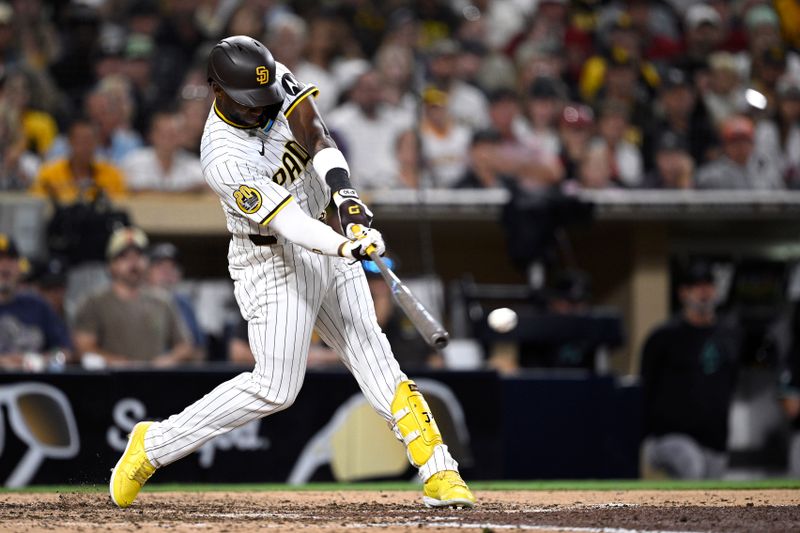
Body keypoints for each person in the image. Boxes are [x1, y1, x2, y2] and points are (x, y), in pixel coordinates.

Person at [109, 36, 474, 510]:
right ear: (216, 90)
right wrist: (347, 243)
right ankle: (153, 446)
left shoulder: (267, 77)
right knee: (276, 388)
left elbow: (315, 131)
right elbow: (289, 223)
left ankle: (439, 471)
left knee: (375, 356)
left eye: (265, 101)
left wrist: (346, 198)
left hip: (324, 232)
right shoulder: (221, 156)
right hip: (272, 260)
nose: (262, 111)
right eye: (249, 105)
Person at [640, 261, 740, 479]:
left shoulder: (728, 336)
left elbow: (731, 383)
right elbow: (645, 387)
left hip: (715, 439)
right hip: (670, 436)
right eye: (696, 286)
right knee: (691, 464)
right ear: (683, 293)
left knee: (713, 501)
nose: (703, 292)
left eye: (708, 285)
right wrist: (645, 434)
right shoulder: (664, 337)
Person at [72, 226, 196, 368]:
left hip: (154, 381)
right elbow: (83, 348)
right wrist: (120, 364)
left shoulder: (162, 301)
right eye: (124, 257)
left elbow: (185, 346)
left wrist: (166, 361)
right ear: (111, 265)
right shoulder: (95, 302)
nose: (133, 263)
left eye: (138, 255)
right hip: (111, 382)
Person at [0, 234, 72, 370]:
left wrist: (42, 359)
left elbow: (65, 351)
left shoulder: (37, 305)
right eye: (0, 259)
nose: (4, 266)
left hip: (33, 385)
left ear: (19, 267)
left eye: (11, 259)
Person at [30, 117, 127, 203]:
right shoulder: (48, 174)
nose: (85, 146)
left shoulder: (112, 174)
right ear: (69, 142)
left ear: (97, 142)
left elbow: (121, 204)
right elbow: (37, 205)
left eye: (90, 140)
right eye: (81, 141)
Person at [145, 242, 205, 359]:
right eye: (160, 267)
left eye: (172, 267)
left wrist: (173, 359)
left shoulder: (184, 304)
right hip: (138, 370)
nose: (167, 272)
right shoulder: (137, 299)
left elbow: (199, 351)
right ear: (148, 272)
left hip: (177, 373)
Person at [121, 111, 206, 193]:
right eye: (163, 134)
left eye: (172, 134)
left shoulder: (192, 164)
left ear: (180, 136)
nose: (167, 140)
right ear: (152, 135)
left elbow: (207, 186)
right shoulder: (133, 161)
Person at [695, 115, 783, 190]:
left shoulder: (766, 172)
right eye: (735, 142)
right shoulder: (710, 176)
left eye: (745, 141)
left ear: (752, 144)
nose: (741, 147)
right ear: (725, 146)